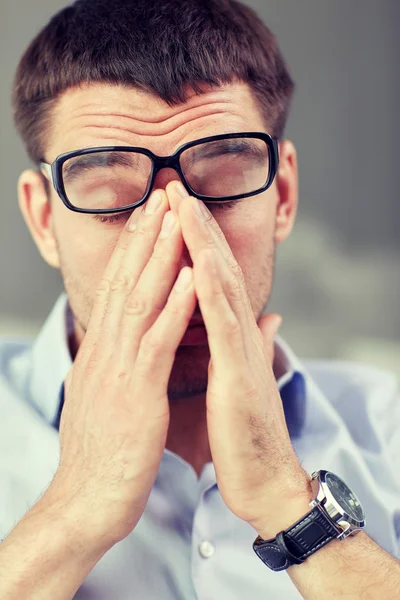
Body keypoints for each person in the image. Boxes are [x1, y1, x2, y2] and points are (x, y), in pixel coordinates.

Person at [0, 0, 399, 597]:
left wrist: (289, 502)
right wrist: (74, 508)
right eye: (111, 194)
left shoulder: (388, 427)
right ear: (41, 218)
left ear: (282, 194)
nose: (181, 242)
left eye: (222, 185)